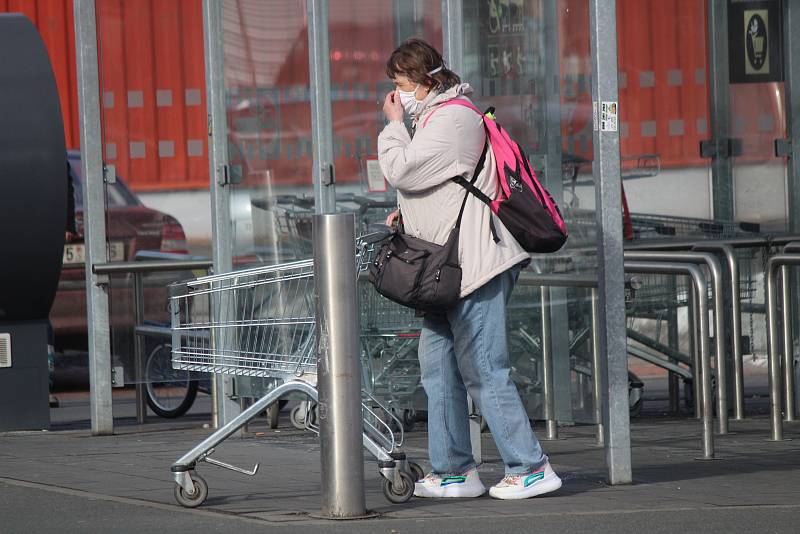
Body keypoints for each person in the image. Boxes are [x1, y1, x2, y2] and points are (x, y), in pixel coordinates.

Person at [377, 38, 562, 500]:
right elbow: (442, 186)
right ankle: (454, 470)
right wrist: (410, 216)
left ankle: (531, 466)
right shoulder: (438, 118)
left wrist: (393, 126)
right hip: (445, 267)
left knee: (483, 368)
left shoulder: (455, 118)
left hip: (476, 264)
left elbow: (402, 170)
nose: (398, 96)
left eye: (401, 85)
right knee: (438, 370)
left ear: (423, 81)